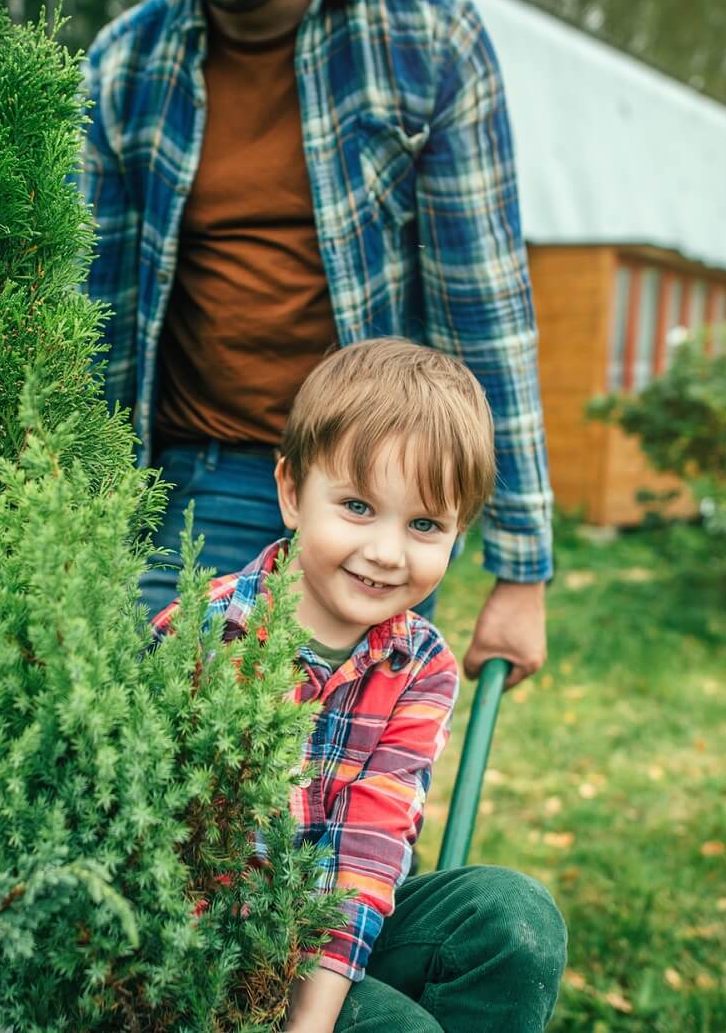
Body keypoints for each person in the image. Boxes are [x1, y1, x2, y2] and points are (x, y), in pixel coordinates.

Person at [79, 0, 554, 689]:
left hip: (386, 494)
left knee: (355, 765)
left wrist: (522, 571)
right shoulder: (126, 65)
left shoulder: (425, 36)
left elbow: (482, 304)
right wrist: (81, 518)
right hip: (197, 493)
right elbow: (95, 327)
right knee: (174, 776)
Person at [152, 339, 566, 1033]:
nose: (385, 551)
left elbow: (366, 855)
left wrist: (312, 1022)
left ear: (458, 532)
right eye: (357, 506)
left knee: (513, 917)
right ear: (291, 492)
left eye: (425, 524)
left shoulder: (421, 664)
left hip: (336, 942)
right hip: (207, 958)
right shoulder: (206, 632)